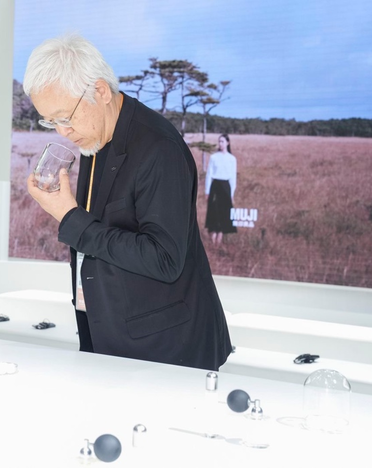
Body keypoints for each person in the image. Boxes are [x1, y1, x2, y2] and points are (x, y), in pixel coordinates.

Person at [23, 34, 232, 370]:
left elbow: (164, 259)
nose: (62, 132)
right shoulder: (95, 134)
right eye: (51, 121)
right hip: (110, 336)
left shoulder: (158, 148)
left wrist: (70, 217)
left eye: (65, 117)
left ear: (101, 91)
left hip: (167, 351)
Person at [204, 134, 238, 245]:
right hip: (215, 187)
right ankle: (212, 240)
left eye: (222, 141)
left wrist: (232, 194)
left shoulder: (232, 159)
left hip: (226, 187)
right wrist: (207, 192)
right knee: (214, 213)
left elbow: (233, 177)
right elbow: (209, 175)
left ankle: (219, 241)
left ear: (228, 143)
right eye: (219, 141)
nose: (220, 144)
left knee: (224, 213)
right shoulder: (214, 157)